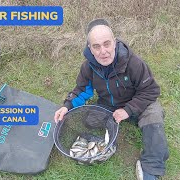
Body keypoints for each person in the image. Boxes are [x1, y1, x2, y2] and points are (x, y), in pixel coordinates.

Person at [54, 18, 169, 180]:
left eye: (107, 44)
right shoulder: (88, 67)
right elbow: (82, 90)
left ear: (114, 42)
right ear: (90, 49)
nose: (103, 51)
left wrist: (128, 110)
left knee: (154, 115)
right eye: (96, 46)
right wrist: (67, 106)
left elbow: (150, 90)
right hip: (109, 105)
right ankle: (105, 139)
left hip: (138, 102)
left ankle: (151, 166)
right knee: (89, 121)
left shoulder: (134, 63)